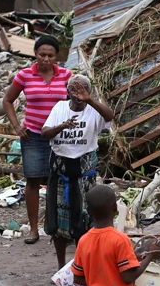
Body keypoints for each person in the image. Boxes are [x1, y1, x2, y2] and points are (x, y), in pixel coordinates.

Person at [3, 35, 72, 245]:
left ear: (56, 57)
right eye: (42, 54)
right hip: (32, 134)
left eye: (51, 55)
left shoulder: (66, 75)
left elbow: (75, 102)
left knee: (58, 180)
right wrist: (17, 126)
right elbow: (7, 100)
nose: (46, 59)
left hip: (59, 135)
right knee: (33, 180)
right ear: (35, 54)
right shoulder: (25, 75)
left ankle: (57, 226)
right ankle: (34, 229)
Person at [40, 74, 114, 269]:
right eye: (73, 91)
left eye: (82, 91)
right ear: (68, 93)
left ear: (88, 93)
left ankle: (82, 265)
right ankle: (61, 265)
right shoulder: (60, 108)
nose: (77, 96)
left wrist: (89, 100)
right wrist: (62, 126)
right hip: (60, 173)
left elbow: (110, 116)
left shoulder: (93, 110)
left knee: (85, 221)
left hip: (83, 175)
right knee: (57, 225)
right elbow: (44, 133)